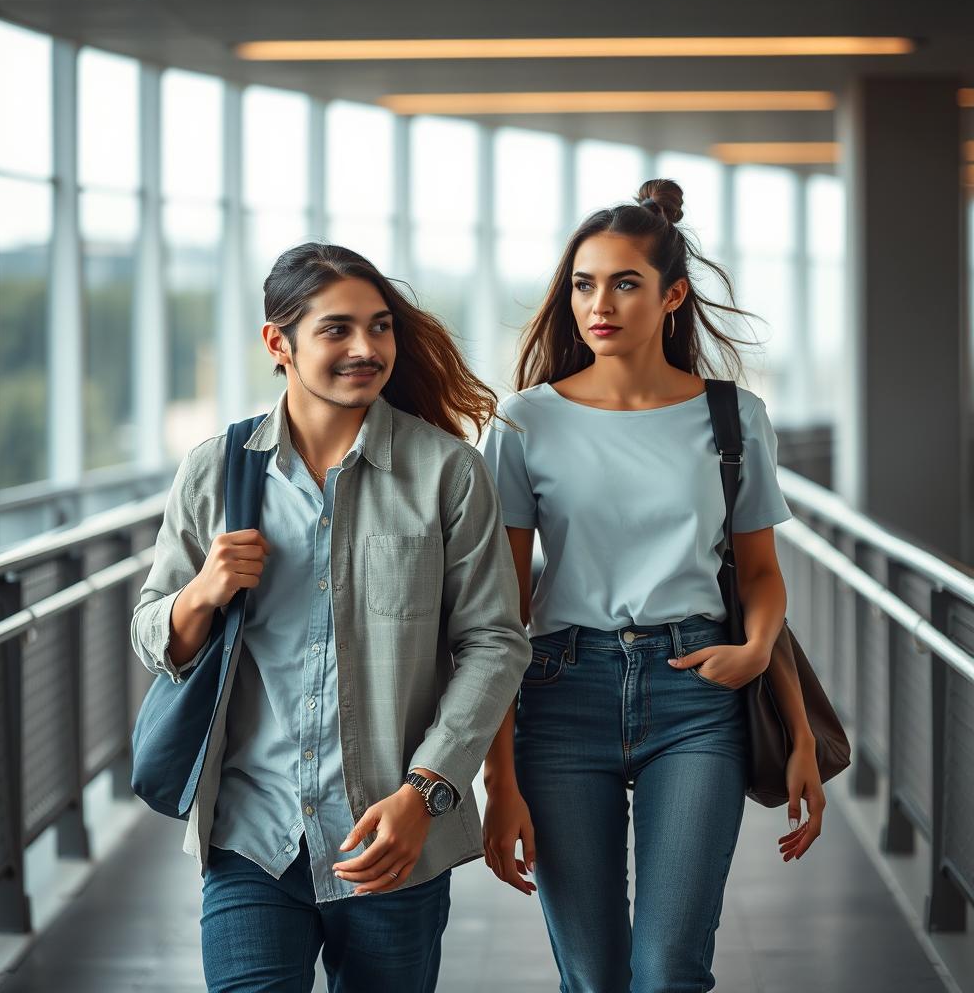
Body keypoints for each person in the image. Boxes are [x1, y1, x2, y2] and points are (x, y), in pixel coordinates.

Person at [131, 242, 531, 993]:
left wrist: (426, 794)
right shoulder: (215, 470)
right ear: (277, 343)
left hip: (394, 842)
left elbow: (494, 644)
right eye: (337, 330)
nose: (366, 349)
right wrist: (202, 592)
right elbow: (154, 635)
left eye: (380, 328)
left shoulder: (448, 472)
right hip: (252, 838)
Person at [480, 181, 825, 993]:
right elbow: (500, 609)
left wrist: (769, 675)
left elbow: (762, 575)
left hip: (698, 692)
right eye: (583, 284)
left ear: (671, 295)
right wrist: (497, 777)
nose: (599, 304)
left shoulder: (732, 417)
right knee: (595, 977)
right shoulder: (525, 422)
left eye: (625, 283)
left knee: (670, 969)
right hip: (560, 693)